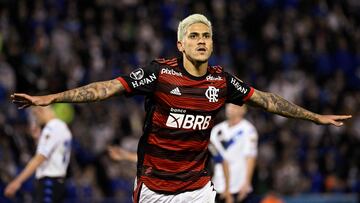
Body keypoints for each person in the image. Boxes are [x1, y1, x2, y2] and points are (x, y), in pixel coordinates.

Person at [10, 14, 351, 203]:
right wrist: (51, 98)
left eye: (207, 36)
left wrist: (315, 117)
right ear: (181, 43)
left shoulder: (221, 82)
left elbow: (267, 100)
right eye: (194, 36)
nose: (202, 41)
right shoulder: (160, 73)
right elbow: (106, 89)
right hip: (154, 189)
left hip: (198, 188)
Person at [4, 106, 72, 203]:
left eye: (35, 114)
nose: (36, 119)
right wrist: (38, 139)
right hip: (58, 182)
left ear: (41, 110)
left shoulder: (52, 127)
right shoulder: (64, 128)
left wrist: (17, 181)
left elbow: (40, 158)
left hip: (49, 182)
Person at [210, 104, 258, 203]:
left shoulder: (248, 130)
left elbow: (250, 157)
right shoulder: (216, 130)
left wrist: (247, 183)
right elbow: (217, 159)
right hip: (218, 185)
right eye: (229, 106)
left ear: (243, 110)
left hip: (238, 186)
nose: (230, 109)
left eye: (234, 106)